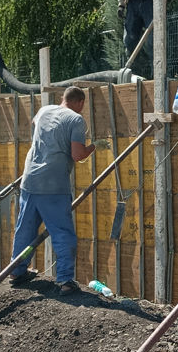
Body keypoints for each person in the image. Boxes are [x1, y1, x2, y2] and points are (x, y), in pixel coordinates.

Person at [9, 86, 107, 296]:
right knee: (63, 234)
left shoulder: (44, 110)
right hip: (53, 185)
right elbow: (78, 155)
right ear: (80, 102)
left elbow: (35, 124)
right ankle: (65, 281)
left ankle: (16, 272)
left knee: (24, 229)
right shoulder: (76, 120)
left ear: (63, 98)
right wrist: (94, 146)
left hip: (29, 180)